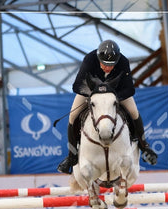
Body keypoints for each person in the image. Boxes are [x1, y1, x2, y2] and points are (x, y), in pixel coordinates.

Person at [57, 39, 158, 174]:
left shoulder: (123, 62)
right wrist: (96, 95)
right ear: (98, 58)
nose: (107, 67)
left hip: (116, 95)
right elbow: (77, 85)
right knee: (72, 116)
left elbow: (130, 89)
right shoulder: (89, 59)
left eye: (111, 65)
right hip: (91, 93)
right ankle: (71, 156)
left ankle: (145, 147)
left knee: (134, 112)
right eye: (104, 64)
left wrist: (113, 96)